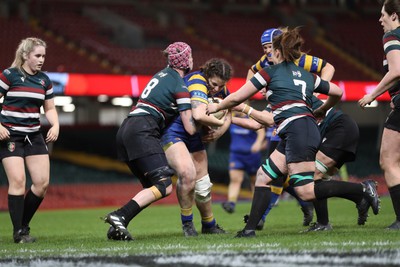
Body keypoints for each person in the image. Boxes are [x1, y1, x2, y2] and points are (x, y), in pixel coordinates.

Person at [207, 27, 380, 238]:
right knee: (263, 175)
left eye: (270, 50)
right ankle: (249, 229)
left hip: (299, 131)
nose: (268, 53)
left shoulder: (269, 73)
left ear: (279, 51)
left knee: (305, 190)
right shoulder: (305, 75)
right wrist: (322, 109)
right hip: (298, 129)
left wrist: (215, 107)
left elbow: (236, 98)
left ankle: (362, 190)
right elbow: (338, 91)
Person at [104, 42, 197, 241]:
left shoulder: (161, 74)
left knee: (153, 187)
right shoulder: (179, 85)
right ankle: (119, 216)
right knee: (164, 185)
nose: (191, 60)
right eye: (189, 56)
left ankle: (118, 226)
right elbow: (190, 128)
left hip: (127, 127)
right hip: (143, 129)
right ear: (183, 61)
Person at [247, 27, 336, 228]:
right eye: (264, 47)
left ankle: (263, 216)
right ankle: (301, 204)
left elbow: (328, 67)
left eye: (270, 46)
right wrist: (258, 87)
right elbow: (251, 71)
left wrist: (315, 91)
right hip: (282, 115)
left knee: (278, 171)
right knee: (277, 170)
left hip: (299, 116)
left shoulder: (300, 59)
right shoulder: (265, 61)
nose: (267, 51)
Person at [161, 58, 232, 237]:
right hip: (174, 130)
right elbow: (198, 115)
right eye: (214, 84)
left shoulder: (220, 87)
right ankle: (187, 224)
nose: (216, 89)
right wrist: (219, 121)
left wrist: (220, 131)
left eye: (220, 86)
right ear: (207, 74)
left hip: (193, 135)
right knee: (187, 174)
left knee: (203, 185)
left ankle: (209, 224)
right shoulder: (197, 81)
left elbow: (230, 109)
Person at [0, 37, 59, 243]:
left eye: (43, 55)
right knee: (18, 181)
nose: (42, 59)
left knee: (41, 184)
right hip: (10, 135)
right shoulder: (9, 75)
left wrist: (56, 125)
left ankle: (22, 225)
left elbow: (49, 108)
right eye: (37, 55)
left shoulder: (44, 80)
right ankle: (19, 233)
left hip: (34, 135)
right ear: (26, 55)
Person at [359, 0, 400, 230]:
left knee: (389, 160)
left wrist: (372, 95)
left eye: (383, 14)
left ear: (394, 15)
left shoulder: (392, 36)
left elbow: (396, 71)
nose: (379, 19)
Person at [221, 109, 266, 214]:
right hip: (236, 154)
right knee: (235, 179)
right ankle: (231, 203)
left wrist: (258, 143)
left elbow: (261, 132)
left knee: (255, 181)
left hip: (251, 154)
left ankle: (257, 206)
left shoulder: (250, 117)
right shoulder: (231, 117)